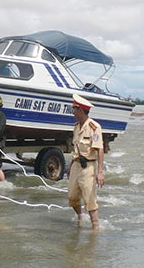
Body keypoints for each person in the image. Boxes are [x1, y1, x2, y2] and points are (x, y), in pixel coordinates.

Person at [68, 94, 104, 229]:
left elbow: (99, 149)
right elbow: (76, 149)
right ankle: (80, 217)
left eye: (74, 108)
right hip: (76, 164)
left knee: (89, 198)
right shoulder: (76, 126)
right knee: (72, 196)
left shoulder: (94, 127)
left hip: (88, 167)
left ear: (81, 110)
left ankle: (95, 226)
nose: (73, 111)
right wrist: (71, 167)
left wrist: (100, 172)